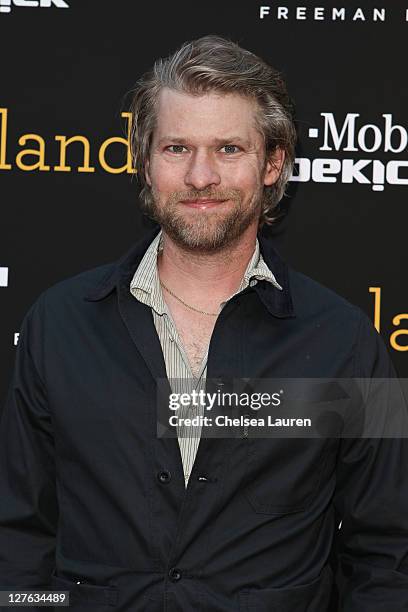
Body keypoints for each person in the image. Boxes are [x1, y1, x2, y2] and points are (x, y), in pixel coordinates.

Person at [0, 35, 407, 612]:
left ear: (273, 164)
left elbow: (388, 553)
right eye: (176, 148)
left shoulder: (346, 341)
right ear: (145, 160)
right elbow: (17, 535)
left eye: (228, 149)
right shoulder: (59, 324)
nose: (200, 176)